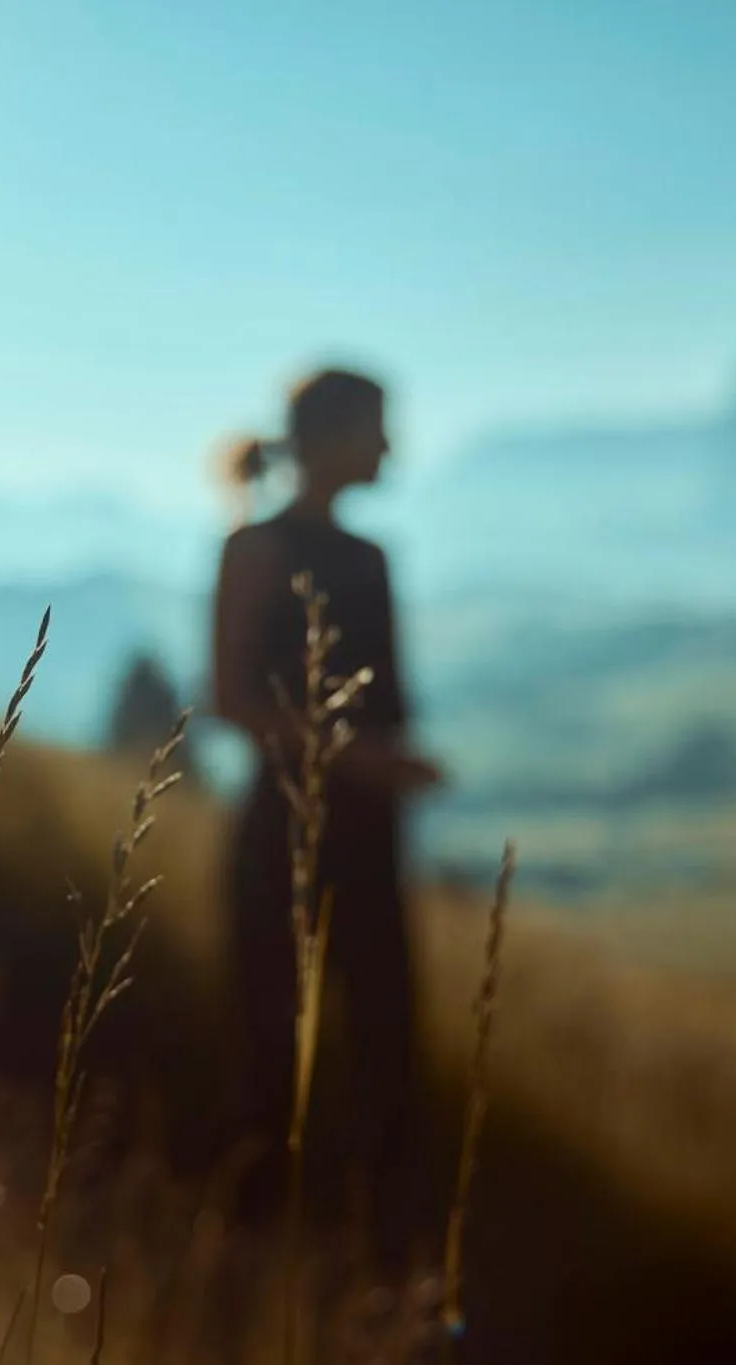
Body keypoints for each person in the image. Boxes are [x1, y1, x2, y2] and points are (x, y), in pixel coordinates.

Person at [208, 366, 446, 1285]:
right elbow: (232, 699)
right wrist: (364, 762)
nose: (390, 447)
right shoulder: (258, 548)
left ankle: (384, 1270)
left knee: (391, 1050)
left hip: (373, 839)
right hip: (287, 836)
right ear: (334, 433)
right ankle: (253, 1271)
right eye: (378, 427)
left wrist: (385, 772)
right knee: (272, 1057)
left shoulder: (372, 557)